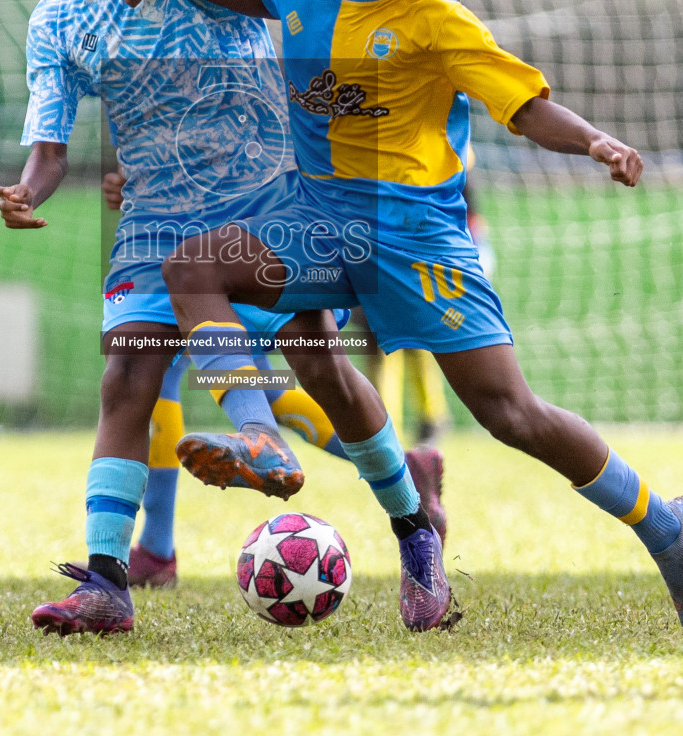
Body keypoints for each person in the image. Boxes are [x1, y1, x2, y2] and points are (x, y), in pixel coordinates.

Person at [118, 0, 683, 632]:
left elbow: (523, 104)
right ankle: (265, 442)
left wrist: (596, 142)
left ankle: (670, 531)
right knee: (195, 269)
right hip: (315, 216)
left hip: (412, 231)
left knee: (511, 414)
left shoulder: (437, 18)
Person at [0, 0, 417, 635]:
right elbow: (50, 147)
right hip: (157, 219)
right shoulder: (54, 19)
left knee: (321, 371)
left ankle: (411, 516)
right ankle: (108, 583)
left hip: (270, 195)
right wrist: (28, 192)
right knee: (127, 380)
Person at [98, 168, 445, 588]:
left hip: (232, 244)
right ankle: (403, 467)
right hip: (222, 241)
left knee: (169, 379)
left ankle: (156, 547)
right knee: (265, 393)